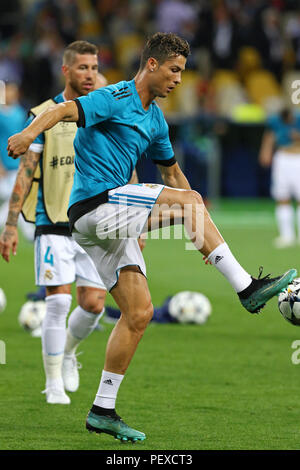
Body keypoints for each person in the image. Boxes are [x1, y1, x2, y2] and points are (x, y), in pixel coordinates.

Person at [6, 32, 296, 442]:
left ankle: (102, 409)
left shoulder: (157, 119)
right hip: (93, 205)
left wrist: (201, 226)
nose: (179, 79)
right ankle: (247, 288)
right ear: (153, 65)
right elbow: (63, 110)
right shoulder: (117, 96)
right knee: (189, 203)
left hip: (106, 223)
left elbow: (173, 176)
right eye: (175, 70)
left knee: (138, 313)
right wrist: (26, 136)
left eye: (183, 72)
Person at [0, 41, 108, 406]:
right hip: (54, 223)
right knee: (58, 303)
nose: (90, 74)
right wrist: (11, 225)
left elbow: (125, 169)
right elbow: (25, 174)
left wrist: (134, 226)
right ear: (66, 71)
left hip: (95, 224)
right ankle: (53, 384)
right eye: (82, 67)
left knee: (94, 304)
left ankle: (69, 352)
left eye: (94, 67)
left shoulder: (103, 113)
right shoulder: (43, 115)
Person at [259, 107, 300, 248]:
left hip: (298, 158)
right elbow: (270, 135)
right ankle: (286, 235)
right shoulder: (275, 120)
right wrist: (266, 150)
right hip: (282, 158)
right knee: (282, 197)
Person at [0, 82, 34, 241]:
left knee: (17, 196)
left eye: (14, 91)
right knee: (16, 196)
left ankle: (28, 233)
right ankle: (28, 232)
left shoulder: (20, 113)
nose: (11, 94)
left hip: (18, 163)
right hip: (4, 165)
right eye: (8, 91)